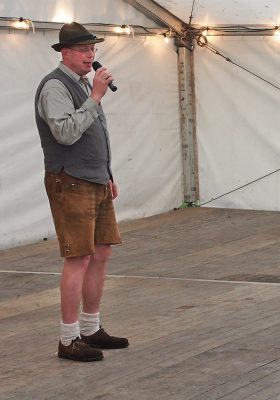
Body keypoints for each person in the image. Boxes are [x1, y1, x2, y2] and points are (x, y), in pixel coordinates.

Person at [35, 22, 129, 362]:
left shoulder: (83, 84)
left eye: (93, 50)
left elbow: (96, 134)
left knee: (101, 253)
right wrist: (94, 98)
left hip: (94, 180)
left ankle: (91, 327)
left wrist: (107, 174)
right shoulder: (55, 87)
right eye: (84, 49)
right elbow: (66, 133)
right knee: (79, 258)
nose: (91, 55)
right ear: (65, 52)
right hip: (70, 180)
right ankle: (68, 338)